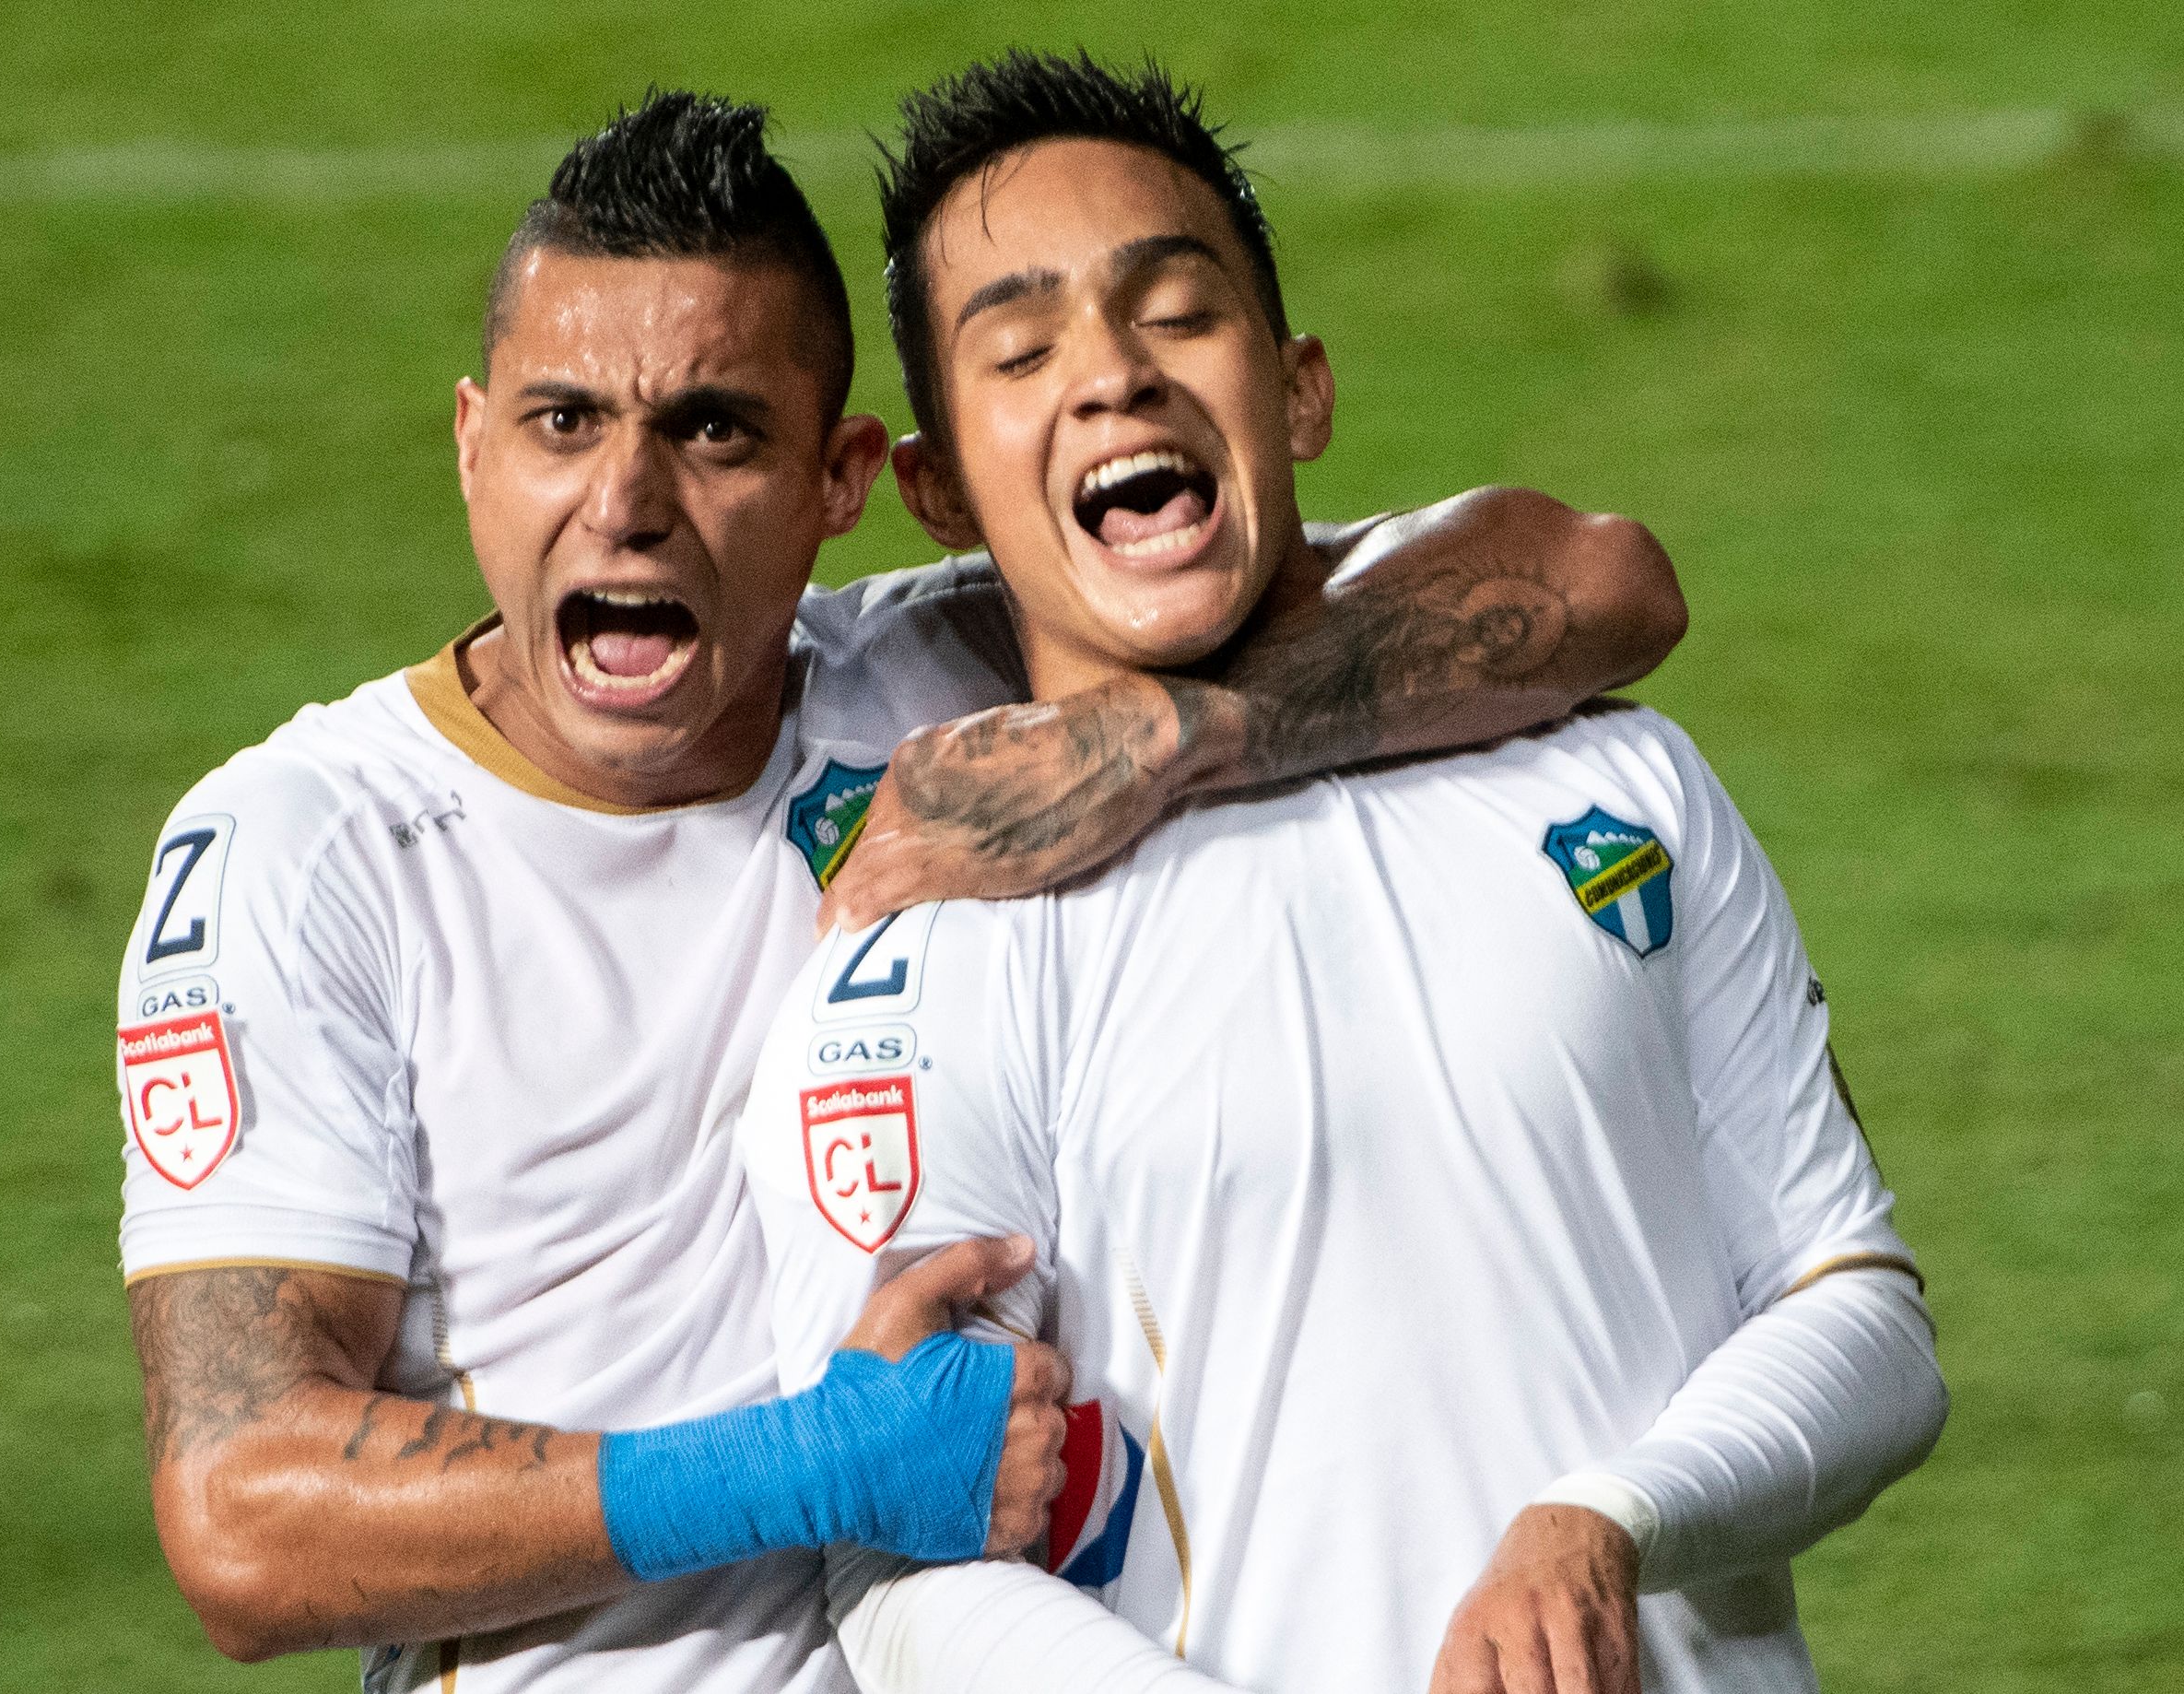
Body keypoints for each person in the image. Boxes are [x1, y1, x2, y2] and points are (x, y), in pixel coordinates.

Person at [115, 92, 1686, 1694]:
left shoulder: (946, 681)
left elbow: (1596, 581)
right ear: (472, 444)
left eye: (715, 431)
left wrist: (1165, 736)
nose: (627, 502)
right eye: (563, 422)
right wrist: (807, 1466)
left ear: (844, 476)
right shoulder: (313, 851)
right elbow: (240, 1516)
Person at [741, 53, 1949, 1694]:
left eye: (1177, 313)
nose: (1115, 377)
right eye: (1023, 351)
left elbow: (1860, 1311)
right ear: (938, 489)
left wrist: (1604, 1519)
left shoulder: (1615, 781)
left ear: (1299, 391)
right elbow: (896, 1578)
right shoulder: (928, 944)